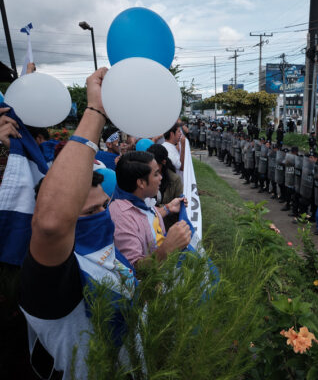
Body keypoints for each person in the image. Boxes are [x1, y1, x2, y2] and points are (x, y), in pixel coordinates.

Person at [19, 68, 140, 377]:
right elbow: (52, 224)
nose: (101, 216)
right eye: (86, 214)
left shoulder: (109, 254)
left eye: (104, 206)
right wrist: (96, 112)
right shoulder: (52, 279)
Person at [109, 151, 191, 267]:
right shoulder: (121, 216)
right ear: (141, 183)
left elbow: (145, 218)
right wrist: (167, 248)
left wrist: (169, 208)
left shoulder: (140, 199)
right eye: (156, 174)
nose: (161, 178)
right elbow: (134, 269)